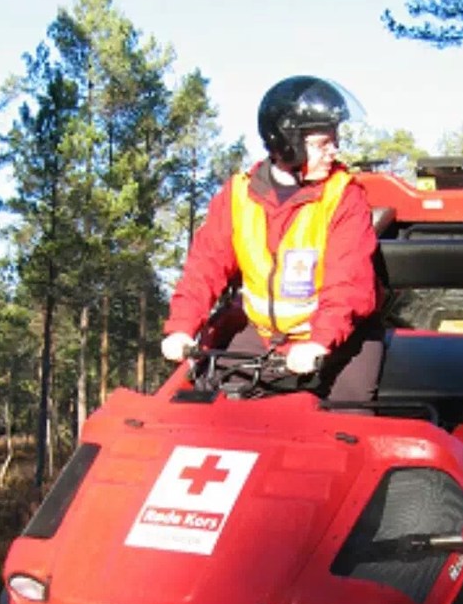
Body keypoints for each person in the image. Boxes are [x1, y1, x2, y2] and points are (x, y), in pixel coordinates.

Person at [161, 75, 384, 403]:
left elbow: (348, 282)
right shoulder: (238, 195)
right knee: (212, 405)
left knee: (350, 425)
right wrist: (181, 327)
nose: (334, 151)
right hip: (265, 336)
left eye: (334, 141)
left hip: (341, 337)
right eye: (323, 143)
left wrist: (319, 342)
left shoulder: (344, 197)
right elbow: (205, 266)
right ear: (287, 143)